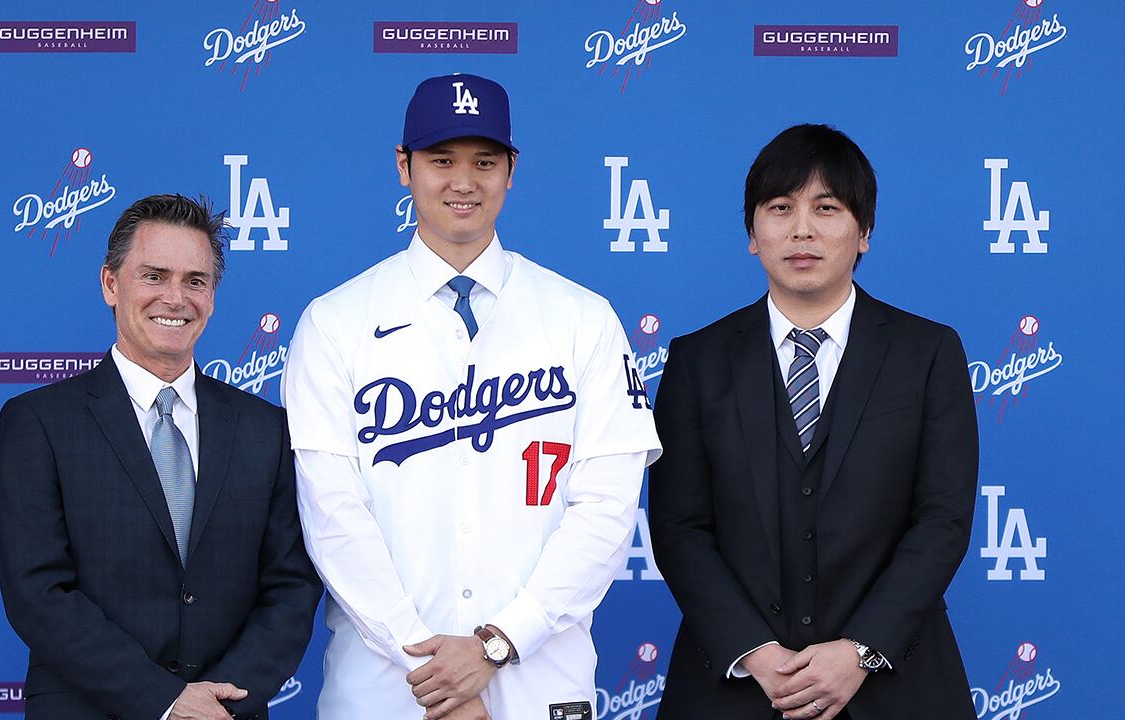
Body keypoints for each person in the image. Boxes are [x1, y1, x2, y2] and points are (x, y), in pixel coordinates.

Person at [282, 73, 662, 720]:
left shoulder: (584, 318)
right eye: (441, 159)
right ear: (403, 166)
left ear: (512, 169)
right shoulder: (335, 322)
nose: (464, 181)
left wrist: (497, 642)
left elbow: (605, 510)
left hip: (540, 682)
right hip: (387, 690)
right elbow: (332, 516)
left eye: (484, 161)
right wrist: (430, 667)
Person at [649, 125, 978, 720]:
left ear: (864, 231)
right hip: (736, 689)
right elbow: (679, 526)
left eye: (826, 208)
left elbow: (943, 519)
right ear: (752, 234)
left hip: (897, 687)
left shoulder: (928, 353)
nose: (802, 230)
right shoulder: (698, 360)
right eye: (780, 208)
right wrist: (754, 652)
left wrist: (862, 649)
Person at [0, 194, 322, 720]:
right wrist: (166, 701)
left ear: (212, 296)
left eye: (196, 281)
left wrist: (218, 703)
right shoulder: (38, 423)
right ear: (110, 284)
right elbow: (37, 592)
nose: (176, 298)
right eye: (154, 276)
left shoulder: (266, 429)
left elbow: (291, 588)